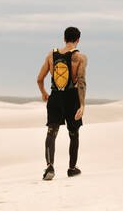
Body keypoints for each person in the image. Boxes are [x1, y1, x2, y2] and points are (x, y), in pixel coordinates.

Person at [36, 27, 88, 180]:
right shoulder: (80, 58)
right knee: (74, 134)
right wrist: (82, 104)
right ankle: (72, 168)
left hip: (55, 96)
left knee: (52, 132)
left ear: (64, 39)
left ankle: (49, 166)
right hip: (72, 98)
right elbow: (81, 82)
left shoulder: (51, 55)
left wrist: (44, 93)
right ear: (78, 39)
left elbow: (39, 79)